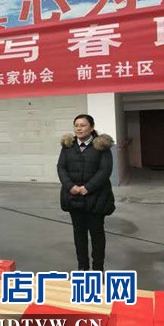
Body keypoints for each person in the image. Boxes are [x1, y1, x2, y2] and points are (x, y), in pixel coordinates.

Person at [57, 114, 115, 272]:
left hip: (97, 198)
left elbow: (105, 170)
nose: (79, 128)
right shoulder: (68, 146)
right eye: (76, 125)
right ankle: (82, 267)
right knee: (79, 233)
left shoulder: (101, 146)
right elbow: (61, 167)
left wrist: (87, 188)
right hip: (74, 197)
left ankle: (98, 268)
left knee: (97, 234)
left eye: (83, 125)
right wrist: (70, 186)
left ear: (91, 127)